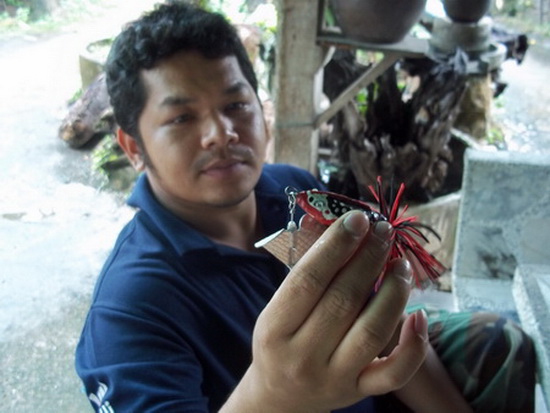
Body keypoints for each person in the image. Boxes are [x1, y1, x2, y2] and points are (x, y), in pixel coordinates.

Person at [75, 2, 536, 412]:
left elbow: (383, 324)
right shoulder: (127, 314)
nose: (221, 132)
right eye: (181, 117)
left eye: (236, 103)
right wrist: (273, 396)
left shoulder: (293, 189)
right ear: (133, 148)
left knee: (499, 342)